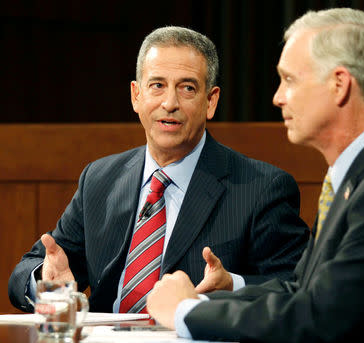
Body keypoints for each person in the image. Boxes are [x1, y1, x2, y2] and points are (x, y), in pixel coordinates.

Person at [145, 8, 364, 342]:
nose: (277, 97)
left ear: (339, 85)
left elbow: (321, 318)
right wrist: (201, 300)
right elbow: (299, 289)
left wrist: (186, 313)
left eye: (289, 80)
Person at [8, 26, 309, 314]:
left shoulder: (261, 187)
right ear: (136, 95)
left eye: (187, 88)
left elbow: (298, 287)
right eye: (157, 86)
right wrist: (45, 284)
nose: (170, 103)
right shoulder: (100, 179)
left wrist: (232, 286)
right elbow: (35, 266)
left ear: (210, 101)